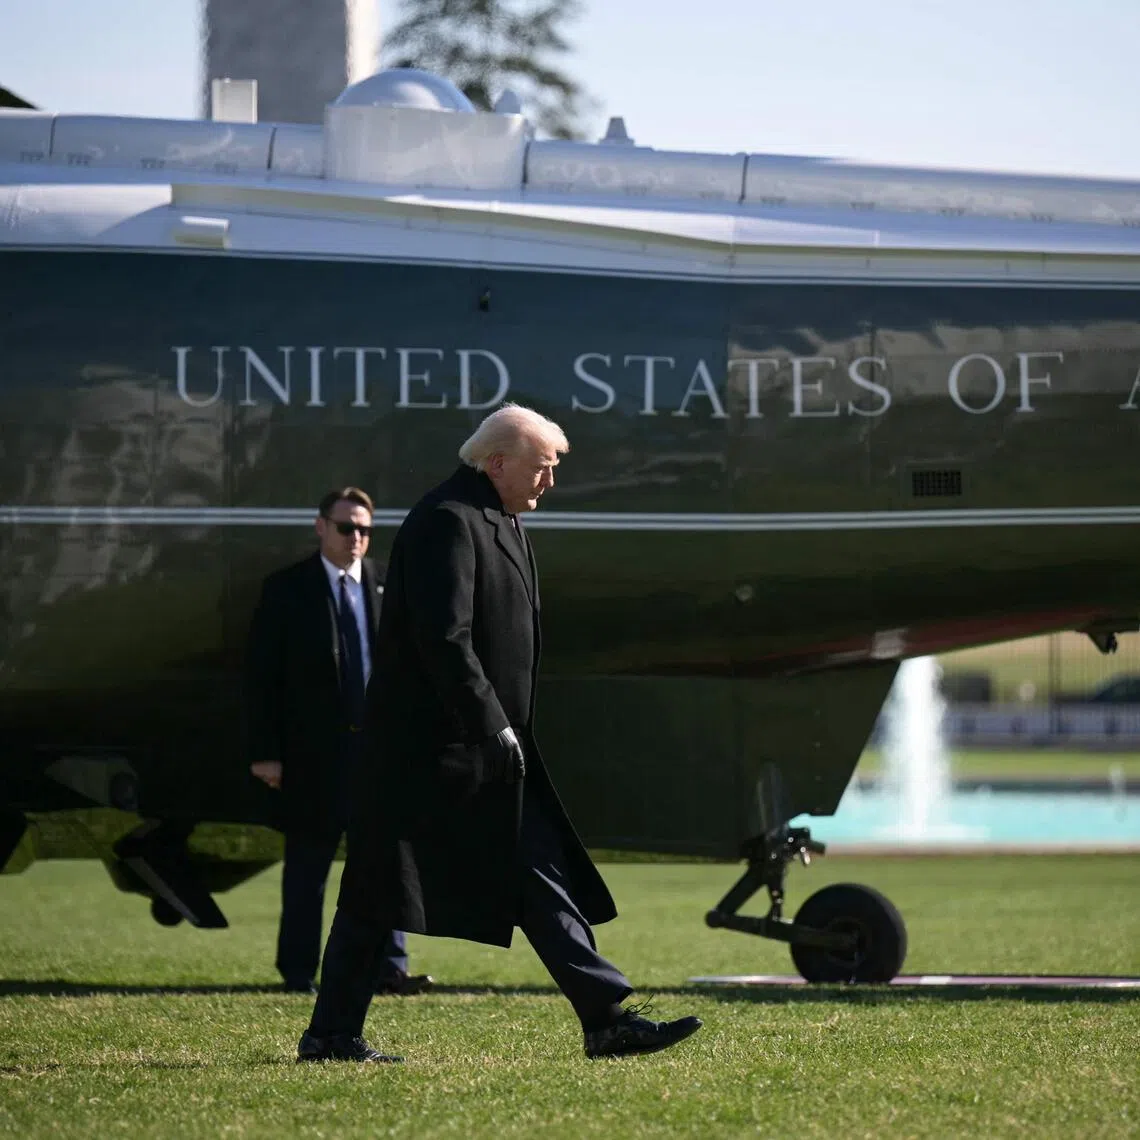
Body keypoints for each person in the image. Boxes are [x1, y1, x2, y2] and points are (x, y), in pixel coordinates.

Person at [297, 406, 702, 1064]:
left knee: (534, 871)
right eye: (542, 468)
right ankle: (332, 1034)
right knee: (376, 891)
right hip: (428, 751)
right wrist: (489, 722)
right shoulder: (450, 520)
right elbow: (444, 638)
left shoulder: (497, 516)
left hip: (476, 748)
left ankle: (605, 1019)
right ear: (497, 462)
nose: (549, 482)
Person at [245, 487, 432, 998]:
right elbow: (262, 679)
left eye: (365, 530)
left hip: (379, 755)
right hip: (313, 758)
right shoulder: (287, 590)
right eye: (347, 527)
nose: (356, 539)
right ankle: (299, 973)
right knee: (308, 872)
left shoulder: (387, 585)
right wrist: (266, 752)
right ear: (320, 526)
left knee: (387, 867)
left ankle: (390, 968)